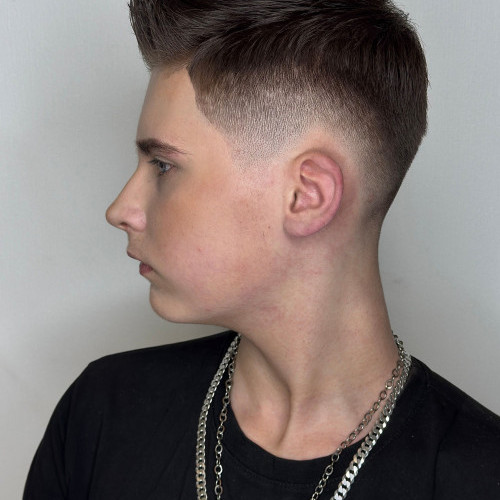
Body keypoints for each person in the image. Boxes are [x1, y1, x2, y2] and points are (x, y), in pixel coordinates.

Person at [24, 1, 500, 498]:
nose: (121, 210)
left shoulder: (480, 477)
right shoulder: (104, 413)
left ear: (306, 196)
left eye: (163, 166)